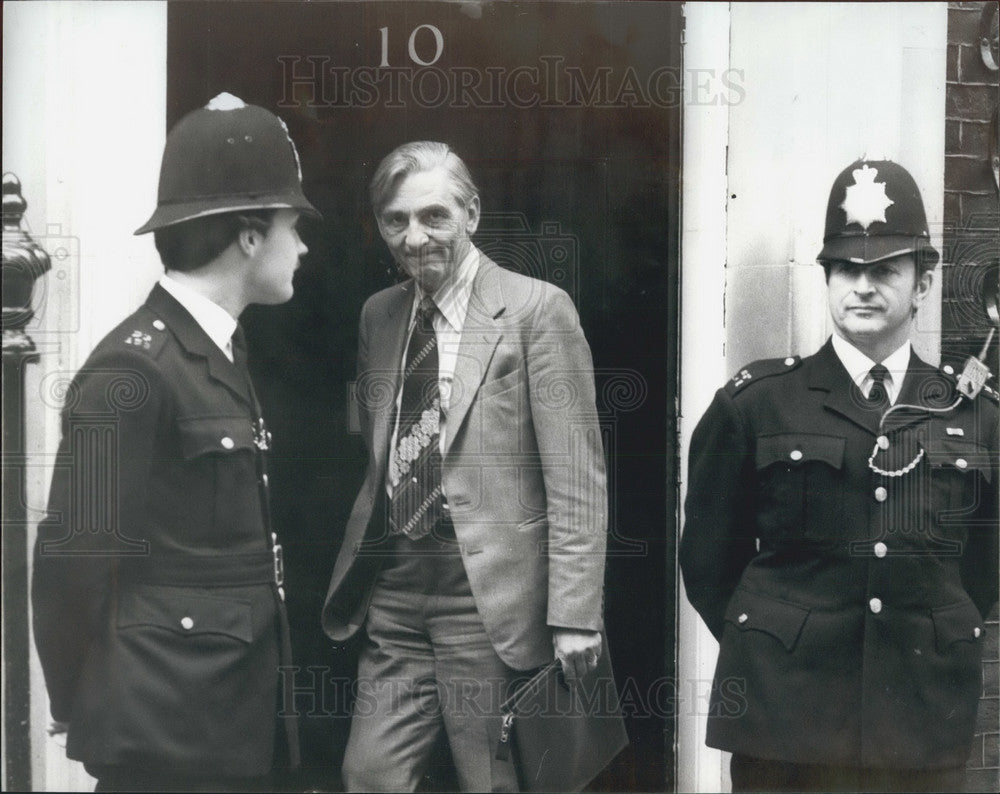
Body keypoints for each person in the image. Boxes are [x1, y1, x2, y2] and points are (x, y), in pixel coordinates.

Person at [680, 158, 999, 793]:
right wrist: (780, 643)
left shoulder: (974, 416)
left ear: (924, 284)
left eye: (885, 270)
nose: (863, 286)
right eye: (847, 269)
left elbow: (984, 570)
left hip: (918, 722)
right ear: (826, 279)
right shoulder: (757, 404)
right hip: (785, 723)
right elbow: (710, 563)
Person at [31, 92, 319, 792]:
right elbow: (73, 561)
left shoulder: (219, 351)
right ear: (250, 235)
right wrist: (81, 698)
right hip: (164, 741)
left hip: (223, 728)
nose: (303, 246)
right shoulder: (133, 370)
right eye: (291, 224)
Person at [321, 141, 609, 792]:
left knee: (491, 778)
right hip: (395, 586)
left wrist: (574, 616)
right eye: (396, 220)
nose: (413, 237)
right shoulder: (380, 315)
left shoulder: (537, 310)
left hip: (485, 594)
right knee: (369, 775)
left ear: (472, 214)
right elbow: (379, 445)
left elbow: (577, 477)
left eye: (433, 216)